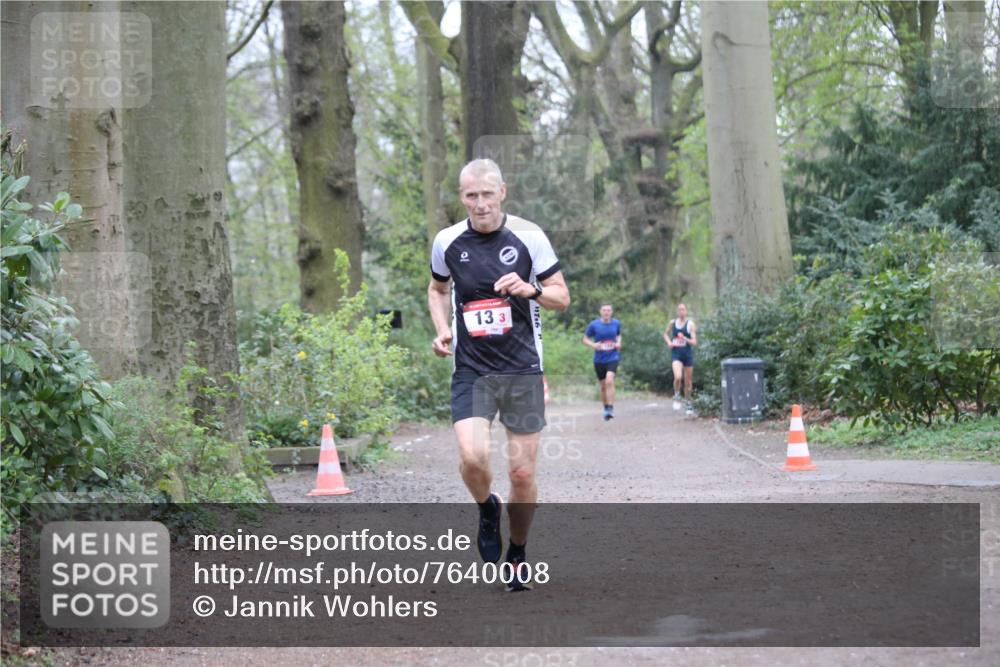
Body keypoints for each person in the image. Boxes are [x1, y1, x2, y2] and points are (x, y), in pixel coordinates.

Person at [428, 158, 570, 591]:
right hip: (472, 370)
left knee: (523, 475)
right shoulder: (447, 241)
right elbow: (438, 288)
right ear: (462, 197)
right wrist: (442, 329)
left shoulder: (530, 237)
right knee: (472, 458)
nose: (480, 204)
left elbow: (562, 296)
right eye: (471, 196)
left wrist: (533, 289)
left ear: (502, 192)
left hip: (523, 368)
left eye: (487, 194)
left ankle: (519, 552)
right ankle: (488, 509)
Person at [582, 304, 621, 420]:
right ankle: (605, 408)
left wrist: (619, 343)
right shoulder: (594, 325)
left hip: (613, 357)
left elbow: (618, 335)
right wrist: (593, 345)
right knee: (603, 386)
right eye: (604, 310)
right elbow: (584, 339)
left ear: (612, 312)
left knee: (610, 380)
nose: (606, 312)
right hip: (599, 359)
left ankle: (610, 407)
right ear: (600, 312)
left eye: (608, 310)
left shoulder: (616, 323)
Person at [663, 303, 696, 413]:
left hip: (687, 355)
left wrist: (685, 338)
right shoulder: (672, 323)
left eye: (683, 310)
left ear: (686, 312)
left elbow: (694, 342)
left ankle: (688, 403)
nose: (681, 312)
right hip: (676, 354)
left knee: (688, 382)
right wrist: (669, 342)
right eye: (679, 310)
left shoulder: (690, 324)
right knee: (678, 377)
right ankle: (677, 395)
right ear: (677, 312)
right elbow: (665, 334)